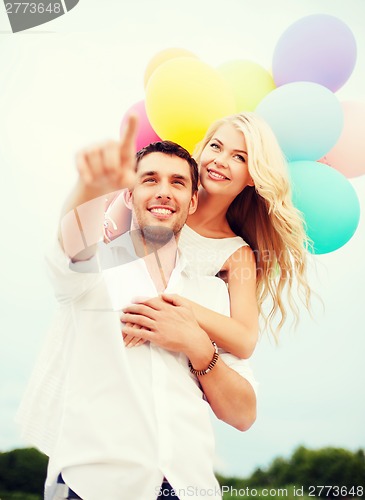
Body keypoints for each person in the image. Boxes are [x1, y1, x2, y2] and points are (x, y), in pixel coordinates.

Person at [17, 118, 257, 500]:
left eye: (178, 183)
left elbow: (243, 414)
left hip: (190, 488)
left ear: (193, 200)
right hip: (93, 487)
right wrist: (91, 188)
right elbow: (70, 247)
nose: (164, 192)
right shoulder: (95, 270)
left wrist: (197, 346)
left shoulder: (211, 293)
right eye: (149, 180)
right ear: (127, 195)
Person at [105, 112, 311, 354]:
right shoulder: (147, 195)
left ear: (254, 177)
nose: (220, 161)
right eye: (216, 146)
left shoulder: (236, 253)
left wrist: (166, 305)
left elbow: (245, 340)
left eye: (239, 157)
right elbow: (105, 252)